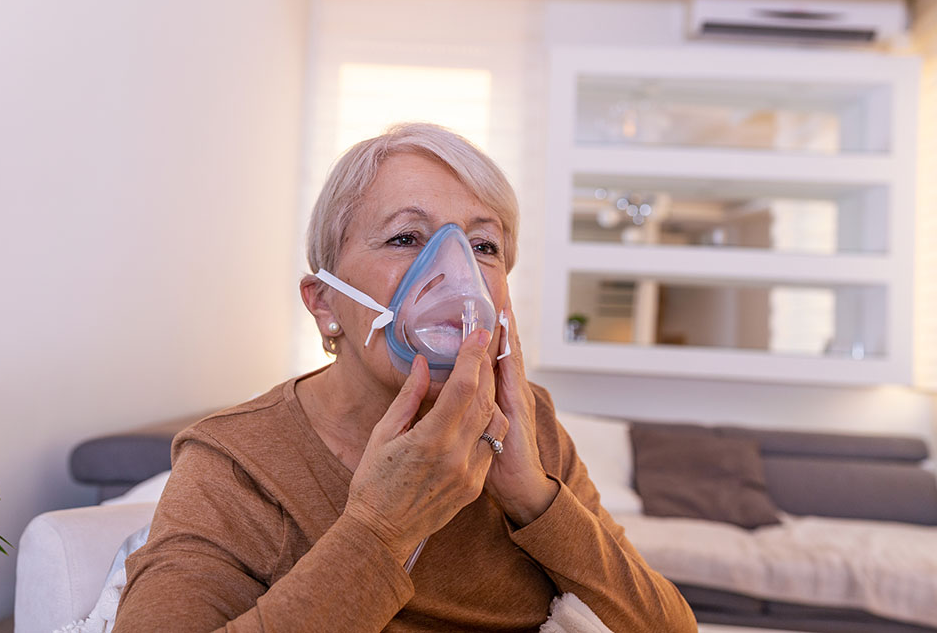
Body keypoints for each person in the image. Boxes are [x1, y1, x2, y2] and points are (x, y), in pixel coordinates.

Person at [113, 123, 696, 632]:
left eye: (483, 245)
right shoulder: (239, 464)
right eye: (406, 238)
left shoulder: (527, 422)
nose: (456, 274)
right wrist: (380, 527)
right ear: (324, 304)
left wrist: (534, 498)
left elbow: (668, 627)